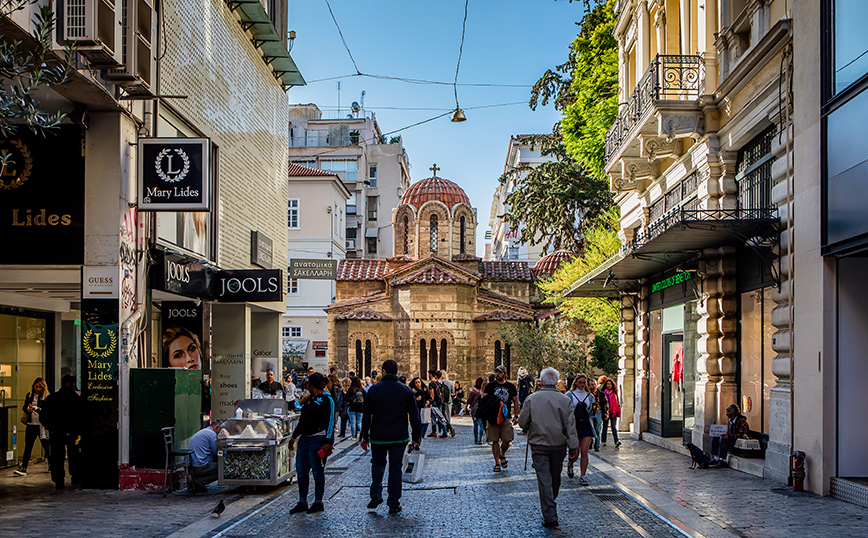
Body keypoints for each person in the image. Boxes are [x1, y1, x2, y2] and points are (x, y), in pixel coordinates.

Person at [518, 367, 578, 528]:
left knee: (545, 480)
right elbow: (570, 426)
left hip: (539, 445)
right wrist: (573, 447)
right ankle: (550, 514)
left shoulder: (532, 399)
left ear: (542, 380)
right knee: (555, 478)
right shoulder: (565, 400)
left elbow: (522, 423)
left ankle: (549, 510)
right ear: (557, 381)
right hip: (559, 445)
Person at [360, 360, 422, 514]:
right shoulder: (406, 391)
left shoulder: (374, 390)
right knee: (395, 468)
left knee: (377, 464)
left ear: (383, 371)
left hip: (378, 436)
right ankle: (393, 502)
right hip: (398, 436)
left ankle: (375, 494)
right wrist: (416, 436)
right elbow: (414, 416)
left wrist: (364, 436)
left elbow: (367, 414)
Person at [288, 372, 335, 514]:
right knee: (301, 471)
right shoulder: (308, 400)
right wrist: (294, 436)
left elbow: (331, 422)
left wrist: (328, 442)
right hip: (305, 439)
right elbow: (303, 421)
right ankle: (302, 501)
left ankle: (318, 501)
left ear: (312, 385)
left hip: (318, 439)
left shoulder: (327, 399)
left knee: (317, 471)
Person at [38, 375, 84, 490]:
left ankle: (59, 480)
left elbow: (43, 416)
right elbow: (82, 416)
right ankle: (75, 477)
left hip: (56, 432)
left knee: (57, 457)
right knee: (74, 455)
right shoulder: (76, 399)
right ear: (73, 384)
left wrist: (49, 427)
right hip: (71, 432)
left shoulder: (52, 398)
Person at [484, 365, 520, 472]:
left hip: (506, 417)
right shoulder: (490, 386)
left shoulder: (510, 386)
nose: (497, 374)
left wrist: (516, 416)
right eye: (496, 372)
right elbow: (484, 398)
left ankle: (502, 453)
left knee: (507, 439)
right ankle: (496, 463)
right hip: (493, 417)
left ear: (504, 374)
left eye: (499, 372)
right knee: (495, 441)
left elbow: (515, 401)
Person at [14, 377, 50, 477]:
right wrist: (27, 409)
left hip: (41, 425)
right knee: (28, 446)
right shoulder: (29, 395)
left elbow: (47, 411)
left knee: (46, 446)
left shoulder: (46, 397)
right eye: (36, 387)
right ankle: (24, 467)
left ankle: (51, 464)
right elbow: (24, 407)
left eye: (40, 387)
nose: (38, 389)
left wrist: (37, 409)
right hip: (31, 424)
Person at [566, 373, 596, 485]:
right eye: (580, 382)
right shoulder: (569, 395)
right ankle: (570, 464)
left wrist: (594, 411)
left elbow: (591, 412)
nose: (582, 385)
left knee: (585, 451)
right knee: (575, 452)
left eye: (584, 383)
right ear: (576, 383)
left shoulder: (590, 396)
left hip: (586, 424)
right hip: (574, 425)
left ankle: (583, 475)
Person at [188, 420, 222, 489]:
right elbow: (217, 453)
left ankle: (198, 482)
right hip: (200, 467)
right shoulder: (212, 434)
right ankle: (199, 482)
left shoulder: (204, 431)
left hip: (190, 466)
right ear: (217, 427)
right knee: (223, 468)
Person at [601, 379, 622, 447]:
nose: (609, 385)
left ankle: (616, 441)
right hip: (606, 412)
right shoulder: (603, 393)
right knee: (605, 427)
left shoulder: (614, 394)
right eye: (607, 384)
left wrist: (618, 412)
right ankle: (603, 441)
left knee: (613, 427)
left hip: (613, 412)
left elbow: (617, 403)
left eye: (610, 384)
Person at [465, 377, 485, 444]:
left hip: (474, 409)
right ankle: (481, 439)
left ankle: (476, 438)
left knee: (475, 425)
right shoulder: (483, 392)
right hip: (482, 409)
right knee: (482, 425)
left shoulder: (473, 391)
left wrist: (465, 408)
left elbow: (469, 401)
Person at [588, 378, 603, 452]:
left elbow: (605, 404)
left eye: (594, 384)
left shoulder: (600, 393)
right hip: (590, 413)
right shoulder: (587, 394)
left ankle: (597, 445)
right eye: (592, 384)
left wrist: (605, 414)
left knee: (598, 429)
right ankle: (590, 443)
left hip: (598, 413)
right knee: (590, 429)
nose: (593, 386)